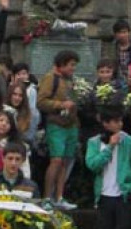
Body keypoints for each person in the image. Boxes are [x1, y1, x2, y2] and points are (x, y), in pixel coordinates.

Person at [37, 50, 81, 209]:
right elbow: (41, 102)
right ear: (61, 64)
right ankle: (47, 197)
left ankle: (59, 197)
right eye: (71, 65)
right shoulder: (51, 78)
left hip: (71, 124)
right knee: (56, 160)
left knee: (65, 161)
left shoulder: (71, 81)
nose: (73, 68)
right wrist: (61, 105)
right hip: (56, 124)